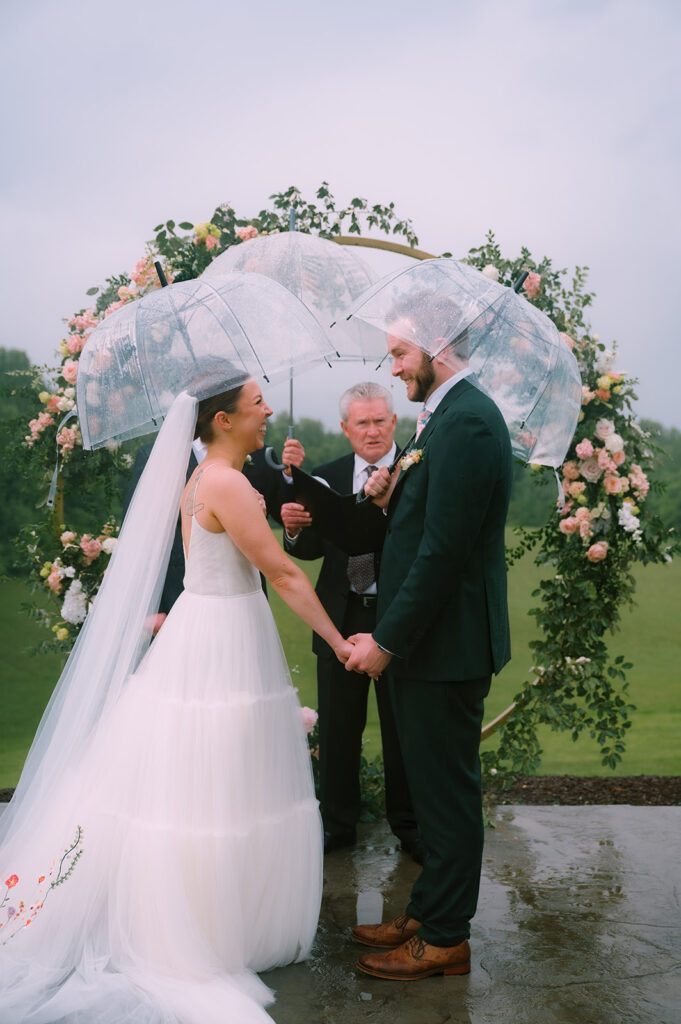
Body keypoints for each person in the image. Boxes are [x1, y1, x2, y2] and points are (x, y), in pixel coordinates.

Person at [0, 375, 352, 1024]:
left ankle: (225, 923)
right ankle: (198, 934)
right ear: (222, 420)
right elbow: (278, 570)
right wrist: (338, 641)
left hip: (221, 627)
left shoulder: (216, 479)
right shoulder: (220, 481)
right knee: (210, 788)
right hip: (218, 641)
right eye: (255, 403)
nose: (267, 410)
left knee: (217, 784)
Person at [345, 318, 513, 981]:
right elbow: (430, 525)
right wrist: (392, 498)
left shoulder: (468, 422)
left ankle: (444, 939)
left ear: (437, 350)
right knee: (431, 787)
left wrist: (387, 641)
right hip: (431, 644)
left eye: (399, 354)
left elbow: (445, 553)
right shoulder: (444, 419)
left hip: (445, 647)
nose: (393, 369)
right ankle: (426, 909)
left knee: (445, 795)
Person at [280, 382, 419, 859]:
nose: (373, 430)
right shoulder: (326, 477)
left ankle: (410, 829)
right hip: (339, 621)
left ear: (394, 422)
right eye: (362, 422)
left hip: (396, 621)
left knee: (404, 732)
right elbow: (313, 549)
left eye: (381, 420)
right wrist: (295, 531)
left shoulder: (416, 470)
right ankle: (337, 829)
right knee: (339, 732)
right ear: (345, 429)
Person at [124, 433, 304, 616]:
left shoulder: (261, 454)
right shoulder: (156, 456)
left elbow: (286, 514)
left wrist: (289, 476)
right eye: (257, 402)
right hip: (178, 598)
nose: (267, 410)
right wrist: (150, 611)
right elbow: (137, 534)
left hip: (248, 599)